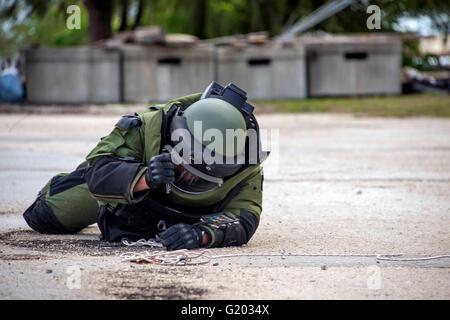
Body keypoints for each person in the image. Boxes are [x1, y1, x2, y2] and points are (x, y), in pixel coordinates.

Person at [23, 82, 267, 250]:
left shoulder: (246, 164)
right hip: (129, 189)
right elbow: (100, 172)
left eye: (200, 175)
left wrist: (202, 235)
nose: (188, 178)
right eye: (183, 166)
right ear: (175, 136)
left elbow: (244, 218)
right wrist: (145, 178)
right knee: (45, 216)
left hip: (194, 214)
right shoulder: (149, 126)